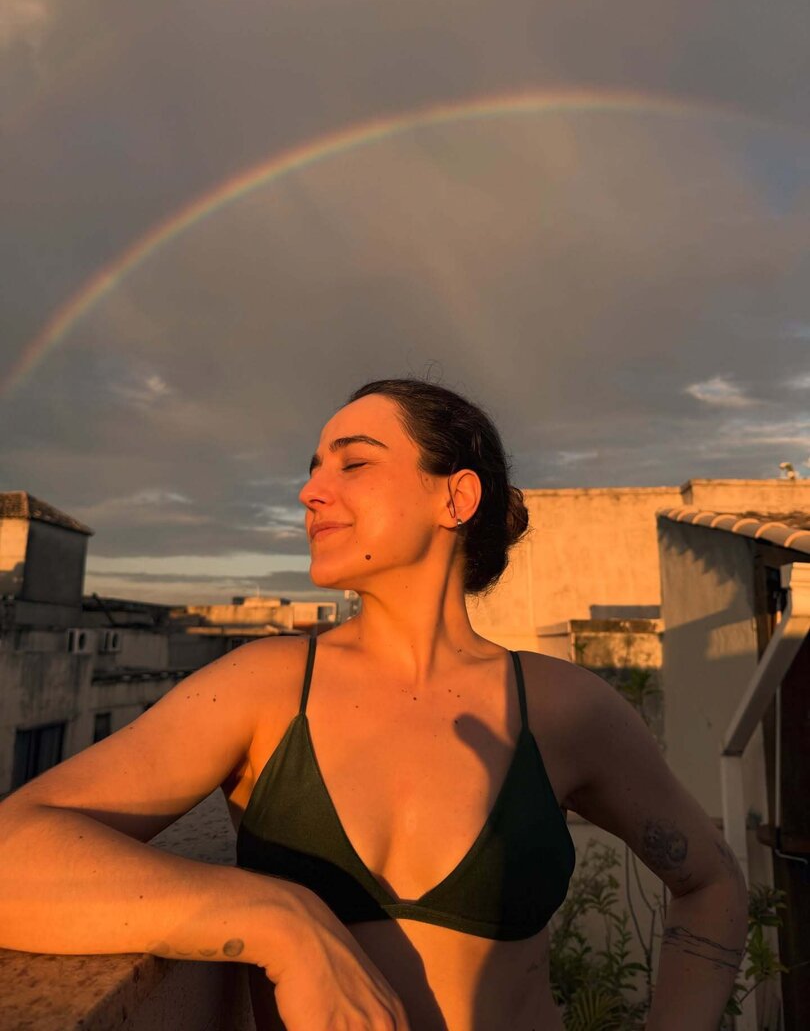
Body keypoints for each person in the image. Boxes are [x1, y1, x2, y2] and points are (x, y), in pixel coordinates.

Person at [0, 377, 748, 1030]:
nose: (309, 492)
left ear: (455, 497)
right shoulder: (263, 687)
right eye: (313, 470)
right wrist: (277, 919)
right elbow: (15, 847)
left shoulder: (563, 706)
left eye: (353, 463)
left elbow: (711, 883)